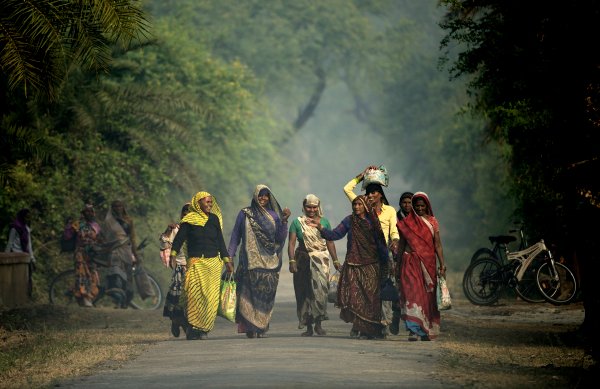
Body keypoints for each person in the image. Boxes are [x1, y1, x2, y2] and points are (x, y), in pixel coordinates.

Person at [308, 195, 388, 339]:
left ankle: (372, 329)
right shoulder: (349, 221)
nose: (356, 207)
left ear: (365, 206)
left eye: (359, 204)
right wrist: (320, 227)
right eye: (354, 204)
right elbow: (334, 235)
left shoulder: (372, 222)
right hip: (353, 265)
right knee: (355, 298)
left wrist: (386, 262)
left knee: (371, 299)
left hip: (371, 265)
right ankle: (359, 327)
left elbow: (381, 244)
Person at [228, 184, 290, 338]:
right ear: (255, 196)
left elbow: (280, 239)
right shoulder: (245, 214)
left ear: (269, 198)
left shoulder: (274, 216)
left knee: (265, 297)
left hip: (269, 264)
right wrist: (230, 256)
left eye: (266, 195)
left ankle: (261, 326)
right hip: (248, 263)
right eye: (260, 195)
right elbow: (236, 236)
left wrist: (284, 221)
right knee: (247, 296)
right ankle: (250, 327)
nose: (263, 198)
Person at [170, 192, 233, 340]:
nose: (210, 205)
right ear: (198, 203)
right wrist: (172, 255)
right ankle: (192, 327)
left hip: (213, 265)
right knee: (193, 295)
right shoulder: (189, 220)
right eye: (207, 202)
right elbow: (179, 239)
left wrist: (227, 261)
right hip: (196, 263)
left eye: (211, 202)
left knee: (209, 298)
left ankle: (203, 329)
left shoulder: (214, 219)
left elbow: (220, 241)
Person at [344, 166, 400, 336]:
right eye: (367, 193)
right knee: (362, 290)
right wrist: (361, 176)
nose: (369, 196)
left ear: (381, 194)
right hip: (363, 255)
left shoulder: (390, 211)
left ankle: (383, 323)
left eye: (373, 193)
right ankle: (359, 325)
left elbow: (393, 231)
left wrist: (395, 241)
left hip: (382, 254)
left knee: (381, 290)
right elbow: (347, 189)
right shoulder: (362, 208)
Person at [396, 192, 447, 341]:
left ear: (427, 206)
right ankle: (413, 330)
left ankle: (425, 330)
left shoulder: (432, 222)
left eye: (422, 206)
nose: (419, 208)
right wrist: (397, 264)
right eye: (416, 206)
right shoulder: (406, 223)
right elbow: (401, 245)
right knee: (411, 294)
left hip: (428, 264)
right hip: (410, 263)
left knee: (426, 297)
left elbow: (437, 244)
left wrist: (442, 264)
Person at [288, 194, 341, 336]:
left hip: (321, 261)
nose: (311, 209)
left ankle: (318, 324)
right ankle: (308, 327)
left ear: (318, 207)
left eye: (314, 207)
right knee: (304, 293)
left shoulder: (324, 222)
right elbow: (292, 243)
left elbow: (330, 241)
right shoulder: (296, 223)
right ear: (304, 207)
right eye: (308, 207)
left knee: (320, 293)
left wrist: (335, 260)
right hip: (303, 261)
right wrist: (292, 261)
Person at [161, 203, 191, 337]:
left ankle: (183, 322)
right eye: (184, 212)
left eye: (190, 212)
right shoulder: (176, 229)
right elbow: (164, 243)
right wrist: (168, 230)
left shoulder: (199, 228)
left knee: (192, 300)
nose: (186, 214)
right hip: (180, 268)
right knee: (178, 298)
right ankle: (177, 320)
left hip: (194, 267)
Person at [102, 200, 139, 309]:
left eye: (119, 206)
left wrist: (135, 254)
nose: (117, 208)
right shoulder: (109, 222)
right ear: (112, 208)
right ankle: (117, 301)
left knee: (128, 277)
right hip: (114, 251)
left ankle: (125, 302)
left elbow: (132, 238)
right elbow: (106, 237)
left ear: (123, 207)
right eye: (115, 206)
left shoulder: (128, 220)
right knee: (116, 275)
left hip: (126, 250)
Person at [389, 191, 414, 335]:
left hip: (414, 260)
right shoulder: (395, 218)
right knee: (398, 291)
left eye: (410, 202)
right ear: (400, 204)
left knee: (412, 294)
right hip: (397, 259)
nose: (407, 205)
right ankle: (396, 317)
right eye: (404, 202)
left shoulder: (418, 219)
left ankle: (412, 326)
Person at [71, 204, 102, 308]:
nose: (89, 213)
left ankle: (88, 297)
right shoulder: (78, 224)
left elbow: (100, 239)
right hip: (80, 252)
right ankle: (84, 298)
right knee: (82, 274)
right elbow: (68, 235)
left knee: (92, 275)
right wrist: (69, 226)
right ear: (83, 213)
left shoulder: (96, 226)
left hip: (92, 254)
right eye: (86, 211)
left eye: (91, 211)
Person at [5, 208, 36, 297]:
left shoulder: (27, 229)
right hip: (15, 255)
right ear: (22, 217)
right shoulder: (15, 228)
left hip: (24, 256)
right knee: (15, 279)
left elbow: (29, 245)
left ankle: (26, 297)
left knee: (27, 279)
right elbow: (10, 243)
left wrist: (32, 259)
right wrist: (6, 257)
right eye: (26, 217)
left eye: (29, 217)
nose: (28, 219)